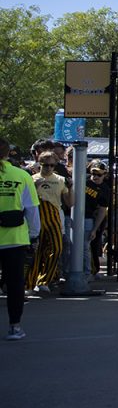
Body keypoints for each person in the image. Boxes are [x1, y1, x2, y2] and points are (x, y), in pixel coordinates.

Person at [1, 135, 40, 341]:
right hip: (15, 238)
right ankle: (15, 326)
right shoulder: (21, 175)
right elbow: (32, 209)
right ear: (8, 154)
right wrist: (34, 234)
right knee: (15, 284)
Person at [25, 150, 72, 294]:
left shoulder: (60, 180)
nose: (49, 168)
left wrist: (71, 188)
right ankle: (30, 283)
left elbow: (70, 203)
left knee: (56, 249)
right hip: (36, 215)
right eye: (46, 165)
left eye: (52, 165)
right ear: (40, 164)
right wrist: (34, 187)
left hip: (54, 216)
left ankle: (44, 279)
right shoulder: (31, 179)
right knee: (36, 250)